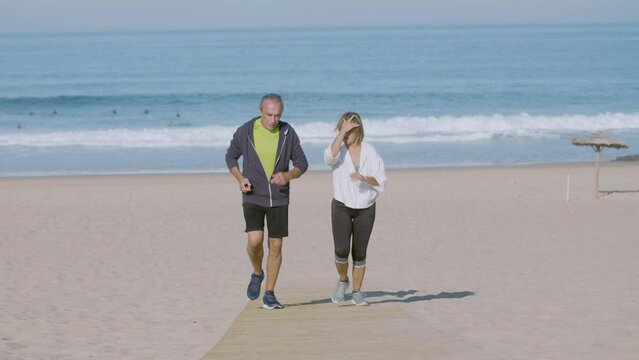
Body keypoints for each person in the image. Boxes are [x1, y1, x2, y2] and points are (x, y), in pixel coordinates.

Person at [225, 93, 308, 309]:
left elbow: (302, 163)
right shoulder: (246, 131)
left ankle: (269, 294)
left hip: (278, 198)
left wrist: (288, 176)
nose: (273, 120)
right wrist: (240, 178)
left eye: (277, 115)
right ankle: (257, 272)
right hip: (252, 194)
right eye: (269, 115)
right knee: (254, 241)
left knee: (276, 245)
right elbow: (230, 157)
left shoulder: (288, 133)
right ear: (260, 111)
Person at [324, 112, 386, 306]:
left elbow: (381, 179)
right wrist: (341, 132)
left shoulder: (370, 151)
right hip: (341, 205)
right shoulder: (339, 150)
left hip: (366, 207)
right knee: (341, 250)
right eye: (344, 129)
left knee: (360, 252)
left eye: (350, 129)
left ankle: (357, 291)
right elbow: (329, 158)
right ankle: (343, 280)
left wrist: (364, 178)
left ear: (358, 130)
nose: (347, 134)